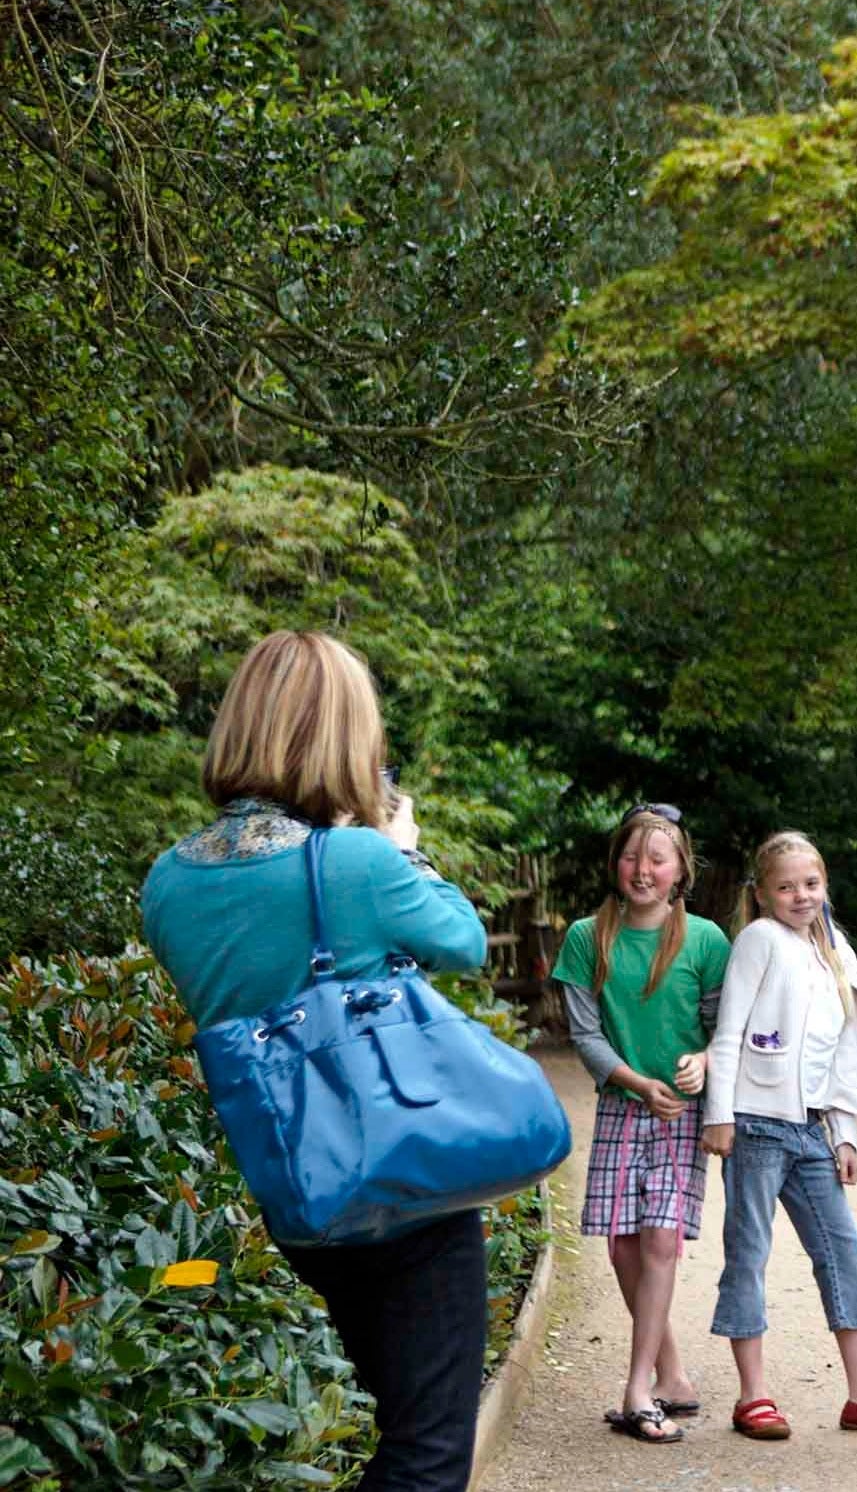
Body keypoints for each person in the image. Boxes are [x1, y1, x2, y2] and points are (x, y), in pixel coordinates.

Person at [140, 631, 492, 1492]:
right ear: (341, 736)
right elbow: (465, 941)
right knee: (428, 1454)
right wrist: (403, 844)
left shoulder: (167, 882)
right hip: (402, 1185)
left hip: (299, 1198)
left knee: (403, 1430)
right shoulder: (355, 863)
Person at [699, 830, 857, 1439]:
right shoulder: (759, 941)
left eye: (811, 884)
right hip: (754, 1126)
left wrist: (844, 1133)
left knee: (841, 1249)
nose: (800, 895)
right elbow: (729, 1032)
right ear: (763, 892)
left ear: (825, 885)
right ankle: (752, 1396)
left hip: (810, 1133)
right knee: (749, 1252)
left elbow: (839, 1057)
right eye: (786, 886)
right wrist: (718, 1114)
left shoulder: (835, 952)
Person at [550, 804, 733, 1444]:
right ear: (615, 863)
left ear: (681, 868)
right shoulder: (586, 936)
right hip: (624, 1105)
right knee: (623, 1244)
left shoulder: (706, 940)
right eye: (632, 856)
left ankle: (638, 1390)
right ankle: (673, 1374)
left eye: (658, 858)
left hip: (682, 1114)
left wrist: (705, 1061)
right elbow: (586, 1035)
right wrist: (634, 1080)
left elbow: (724, 1030)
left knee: (661, 1242)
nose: (643, 870)